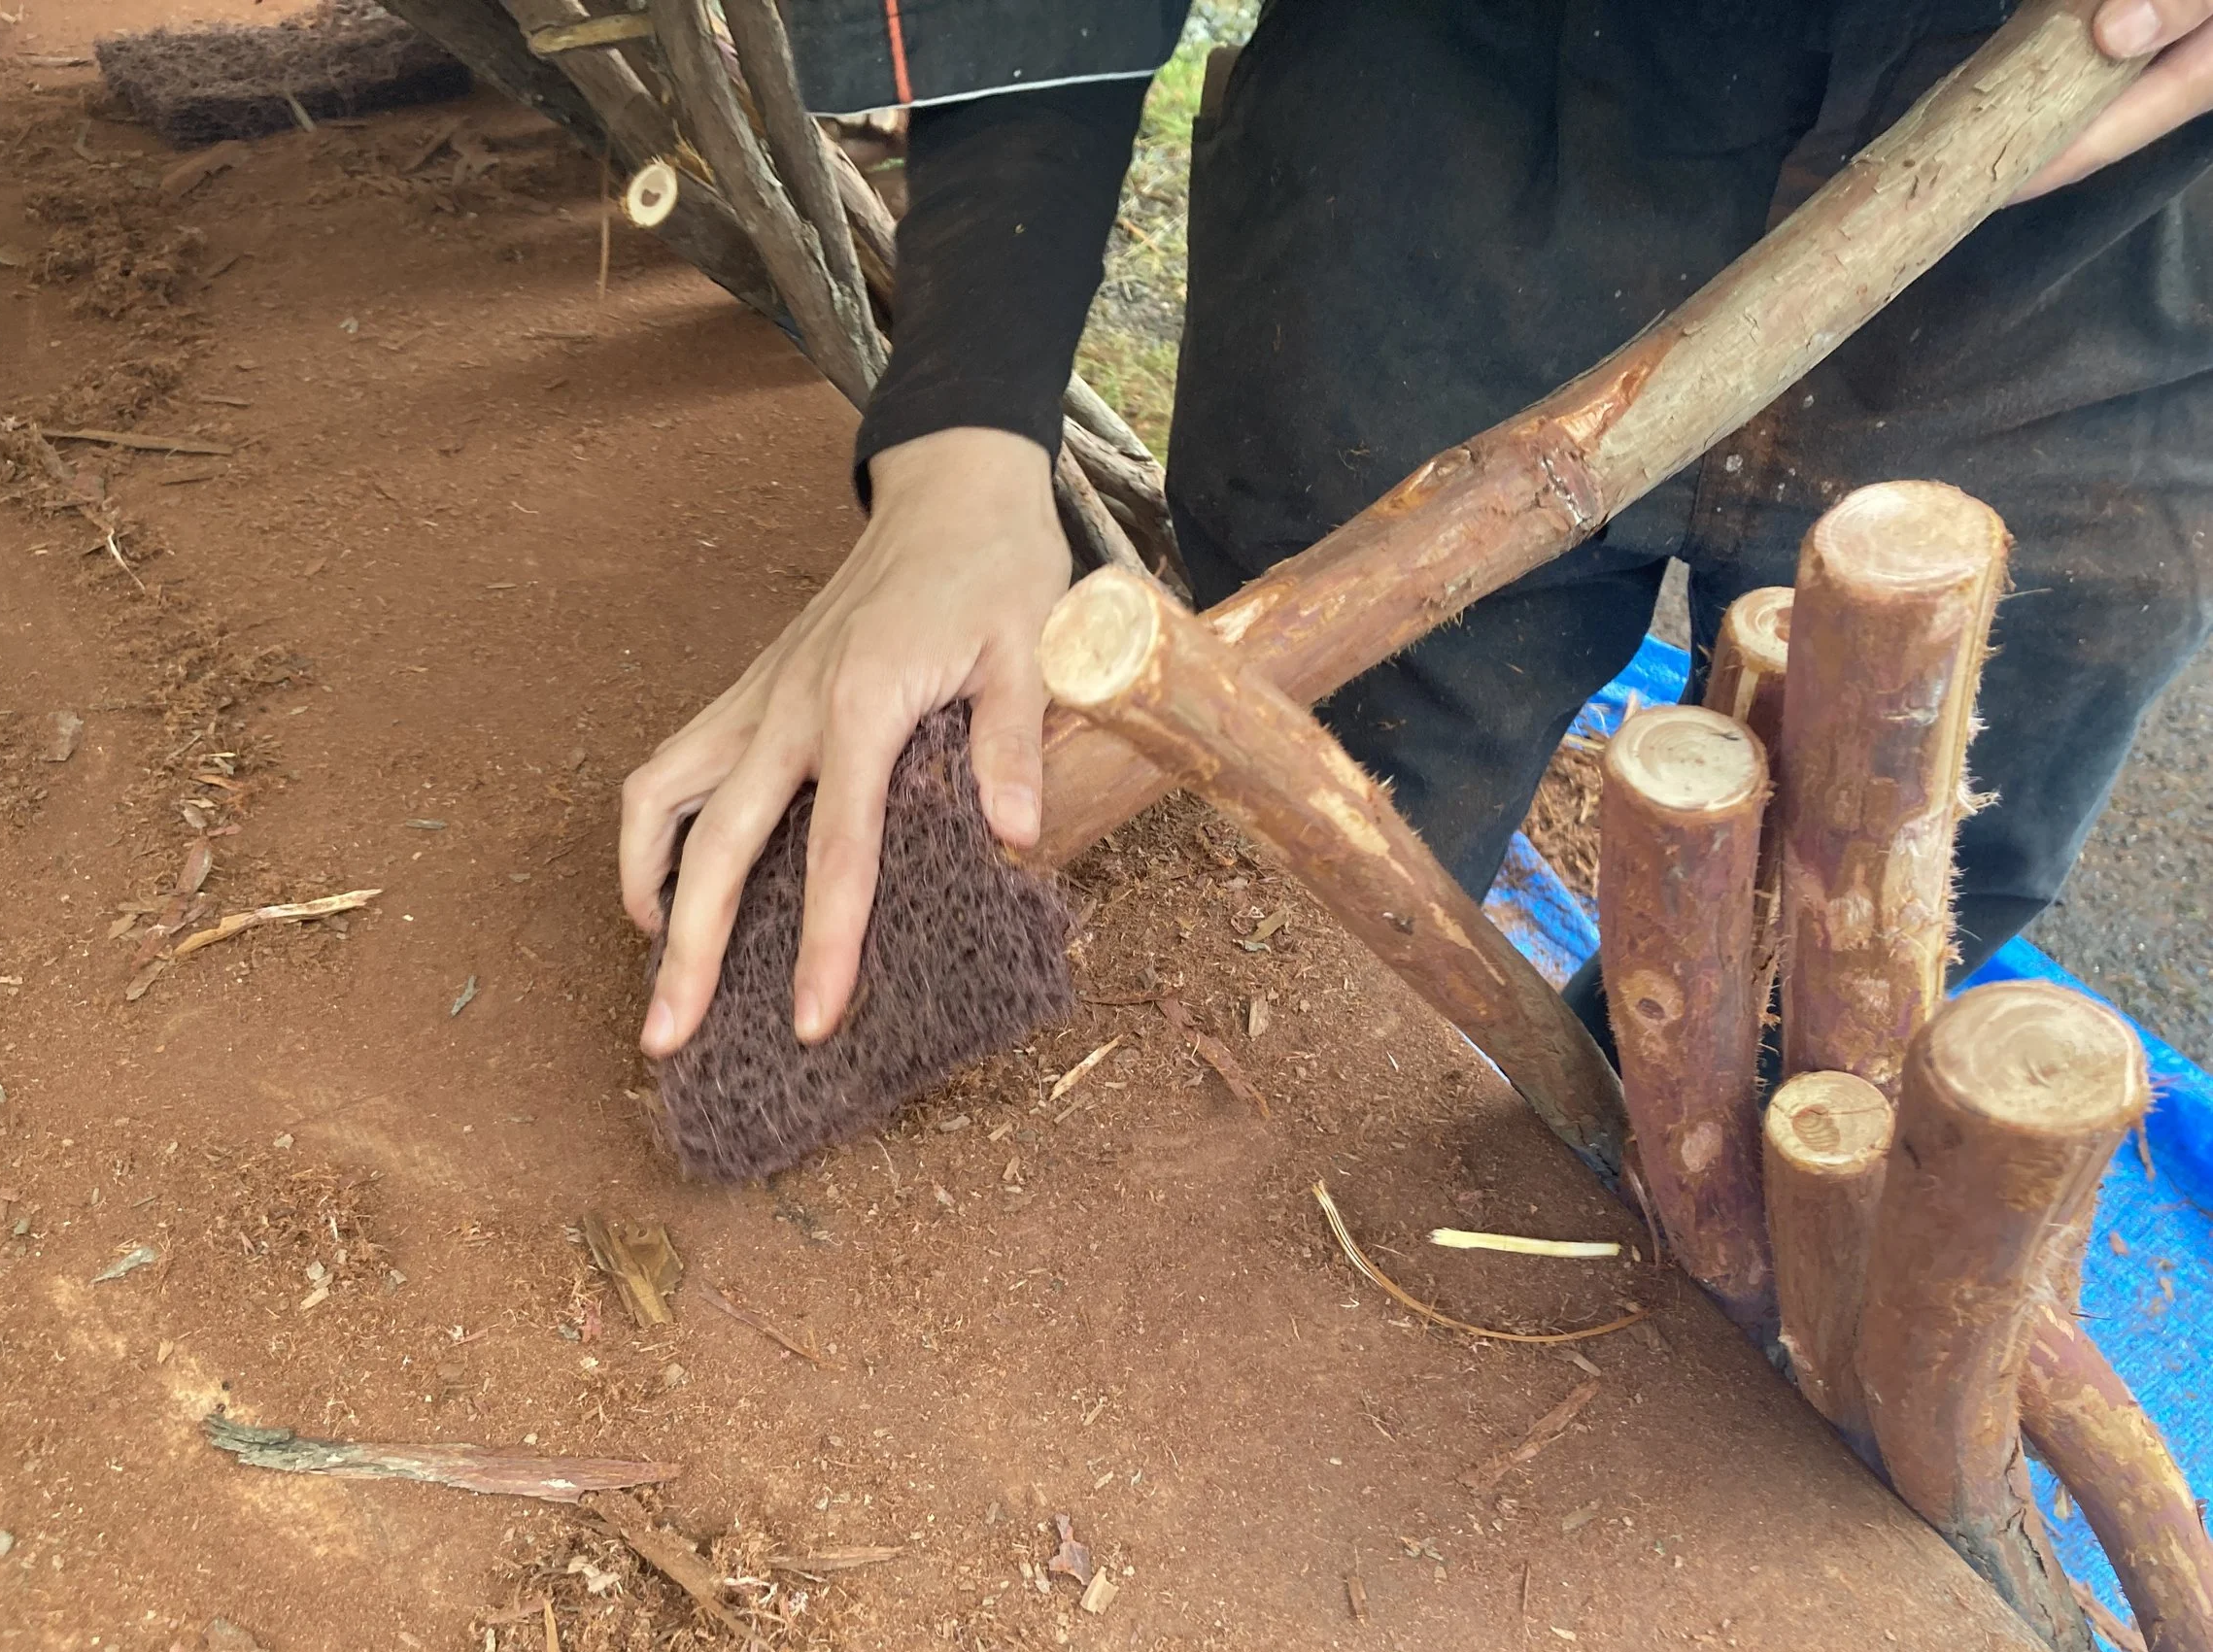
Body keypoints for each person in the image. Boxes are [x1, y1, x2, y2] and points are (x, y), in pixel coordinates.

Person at [621, 0, 2213, 1062]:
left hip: (2089, 224)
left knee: (1850, 940)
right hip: (1451, 125)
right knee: (1290, 895)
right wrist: (961, 448)